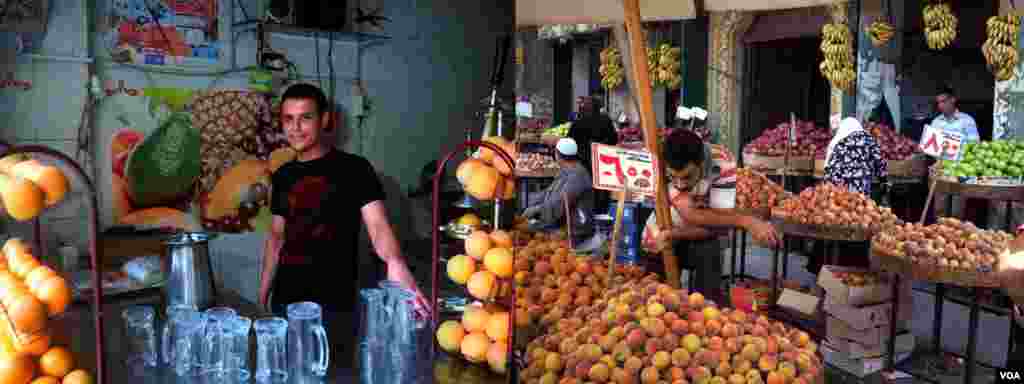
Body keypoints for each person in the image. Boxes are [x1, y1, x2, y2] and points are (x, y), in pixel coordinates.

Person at [260, 83, 430, 372]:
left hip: (336, 303)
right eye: (288, 119)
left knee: (334, 374)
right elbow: (277, 236)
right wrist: (264, 289)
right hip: (287, 299)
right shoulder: (283, 176)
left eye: (305, 118)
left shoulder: (355, 169)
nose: (295, 128)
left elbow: (377, 226)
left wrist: (396, 262)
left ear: (325, 120)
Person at [641, 130, 779, 303]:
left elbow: (720, 223)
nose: (680, 184)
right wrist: (746, 220)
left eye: (687, 177)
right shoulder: (660, 159)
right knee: (651, 298)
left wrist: (675, 234)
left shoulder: (722, 160)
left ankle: (707, 308)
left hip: (698, 237)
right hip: (659, 235)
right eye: (672, 177)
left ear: (702, 163)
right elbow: (691, 214)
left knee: (710, 259)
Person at [804, 117, 888, 274]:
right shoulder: (868, 140)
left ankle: (823, 266)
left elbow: (828, 167)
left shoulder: (836, 141)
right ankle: (852, 268)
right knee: (854, 225)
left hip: (835, 193)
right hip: (858, 194)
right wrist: (883, 180)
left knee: (833, 225)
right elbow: (880, 164)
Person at [932, 86, 987, 226]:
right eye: (938, 103)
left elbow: (975, 147)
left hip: (960, 171)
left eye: (944, 101)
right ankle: (938, 237)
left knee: (957, 211)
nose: (941, 106)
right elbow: (932, 147)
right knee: (939, 209)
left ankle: (955, 238)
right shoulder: (936, 122)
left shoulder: (967, 121)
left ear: (953, 100)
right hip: (941, 170)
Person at [522, 138, 594, 240]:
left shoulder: (578, 175)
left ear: (558, 155)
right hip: (560, 223)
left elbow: (560, 204)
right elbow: (549, 192)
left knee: (527, 232)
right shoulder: (566, 170)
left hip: (575, 231)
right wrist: (531, 202)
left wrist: (537, 210)